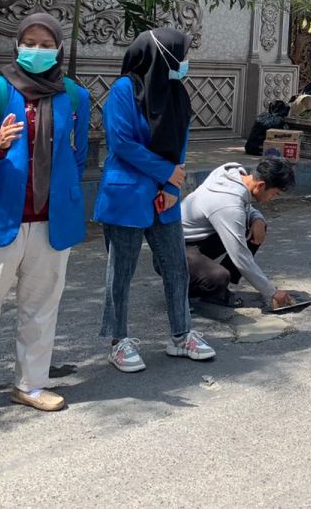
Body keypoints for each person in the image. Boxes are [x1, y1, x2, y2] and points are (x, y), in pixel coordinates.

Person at [0, 12, 91, 415]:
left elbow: (78, 156)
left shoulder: (75, 97)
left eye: (47, 44)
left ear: (59, 49)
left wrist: (59, 190)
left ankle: (31, 384)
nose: (38, 50)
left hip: (50, 221)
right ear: (17, 45)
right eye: (30, 42)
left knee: (41, 305)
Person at [94, 28, 215, 374]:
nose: (186, 61)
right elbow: (121, 143)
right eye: (183, 54)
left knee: (176, 267)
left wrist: (172, 188)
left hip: (166, 197)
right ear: (164, 55)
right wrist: (164, 175)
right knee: (122, 271)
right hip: (127, 194)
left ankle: (181, 334)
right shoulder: (124, 90)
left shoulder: (178, 93)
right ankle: (119, 341)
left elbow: (181, 145)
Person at [179, 158, 298, 310]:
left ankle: (216, 288)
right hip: (175, 251)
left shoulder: (235, 176)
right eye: (274, 194)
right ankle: (184, 290)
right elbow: (240, 256)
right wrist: (271, 292)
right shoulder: (228, 204)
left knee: (255, 228)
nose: (272, 199)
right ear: (261, 185)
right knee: (218, 276)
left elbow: (243, 205)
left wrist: (257, 218)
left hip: (198, 240)